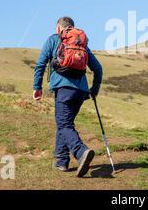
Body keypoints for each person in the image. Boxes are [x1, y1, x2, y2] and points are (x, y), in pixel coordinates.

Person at [32, 16, 103, 178]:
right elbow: (98, 69)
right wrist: (94, 89)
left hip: (63, 89)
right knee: (64, 123)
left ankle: (81, 151)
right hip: (81, 91)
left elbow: (40, 64)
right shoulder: (81, 44)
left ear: (59, 28)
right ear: (72, 28)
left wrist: (37, 87)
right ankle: (61, 161)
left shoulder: (53, 39)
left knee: (64, 124)